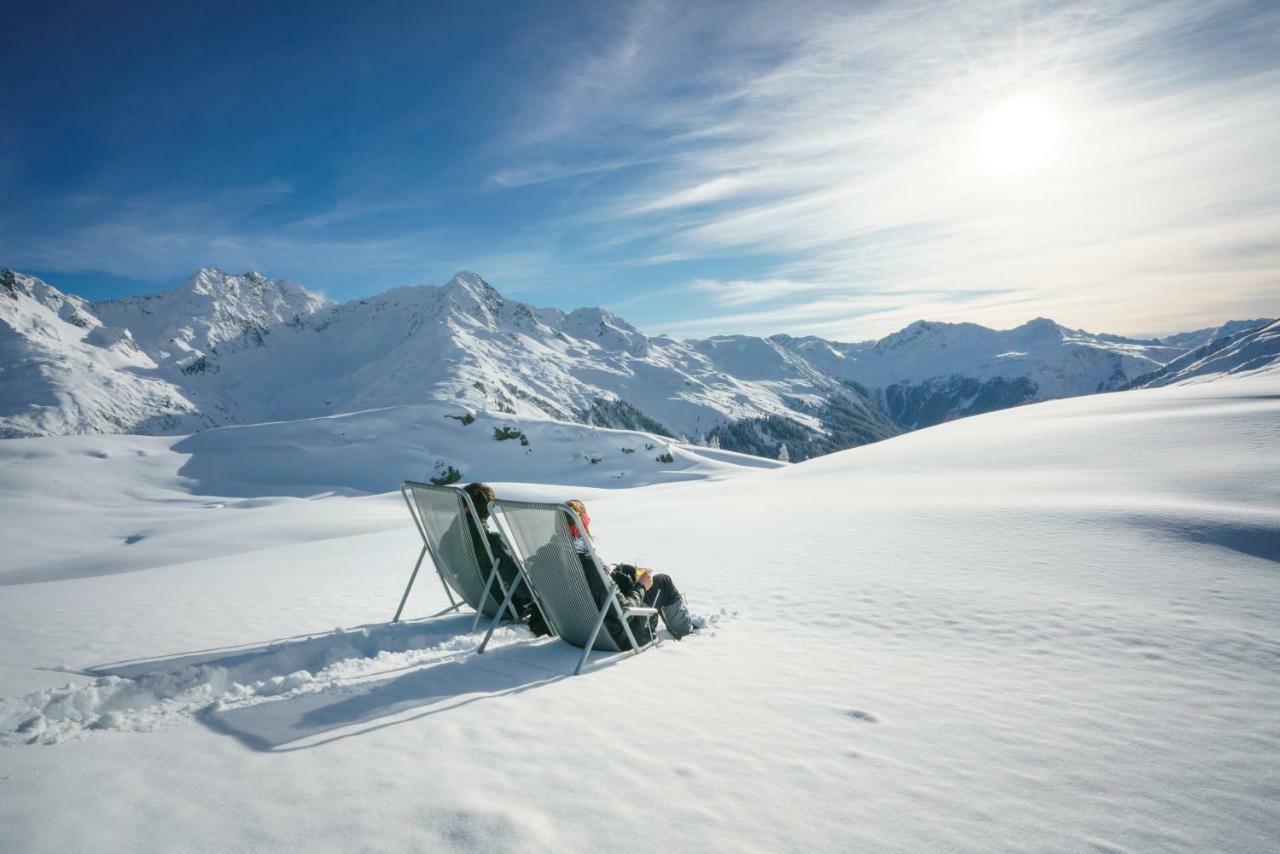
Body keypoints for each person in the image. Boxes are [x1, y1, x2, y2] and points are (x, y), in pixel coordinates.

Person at [563, 498, 696, 644]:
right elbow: (624, 611)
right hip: (620, 637)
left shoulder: (548, 557)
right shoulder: (590, 565)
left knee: (626, 571)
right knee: (663, 582)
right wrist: (641, 586)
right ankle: (687, 635)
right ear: (582, 526)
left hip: (577, 632)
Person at [457, 482, 547, 632]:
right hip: (504, 604)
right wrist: (535, 597)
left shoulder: (450, 536)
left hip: (477, 599)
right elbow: (515, 577)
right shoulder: (490, 541)